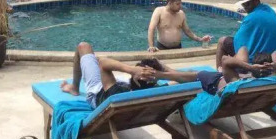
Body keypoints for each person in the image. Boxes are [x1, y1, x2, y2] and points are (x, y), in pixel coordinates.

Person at [60, 42, 200, 109]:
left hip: (97, 91)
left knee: (83, 47)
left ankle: (74, 88)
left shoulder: (116, 94)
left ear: (137, 79)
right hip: (128, 87)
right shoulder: (157, 91)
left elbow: (103, 63)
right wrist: (162, 73)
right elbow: (193, 76)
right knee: (93, 61)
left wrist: (131, 70)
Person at [215, 0, 276, 75]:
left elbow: (239, 43)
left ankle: (219, 73)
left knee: (222, 41)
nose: (246, 8)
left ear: (256, 1)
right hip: (273, 55)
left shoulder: (250, 18)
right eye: (244, 5)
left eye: (247, 4)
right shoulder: (269, 10)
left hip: (255, 59)